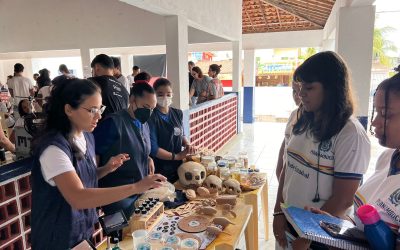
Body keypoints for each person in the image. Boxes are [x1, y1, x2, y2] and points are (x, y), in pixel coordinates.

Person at [31, 78, 166, 249]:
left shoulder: (86, 136)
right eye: (92, 110)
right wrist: (137, 187)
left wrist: (106, 169)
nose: (99, 116)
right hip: (55, 237)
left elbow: (85, 177)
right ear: (68, 109)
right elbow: (78, 197)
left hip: (81, 231)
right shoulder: (53, 149)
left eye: (100, 108)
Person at [273, 51, 371, 249]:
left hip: (323, 235)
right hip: (290, 223)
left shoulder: (350, 134)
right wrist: (278, 213)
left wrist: (309, 236)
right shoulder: (298, 117)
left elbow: (343, 199)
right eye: (300, 87)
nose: (301, 94)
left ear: (331, 89)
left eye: (309, 88)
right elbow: (287, 168)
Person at [93, 82, 157, 218]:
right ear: (132, 100)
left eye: (152, 108)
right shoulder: (113, 123)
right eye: (146, 107)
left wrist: (147, 158)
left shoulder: (143, 124)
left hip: (139, 193)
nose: (149, 112)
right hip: (117, 197)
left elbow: (137, 146)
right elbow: (95, 157)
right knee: (121, 237)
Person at [148, 78, 196, 183]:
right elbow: (154, 149)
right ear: (154, 95)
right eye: (160, 94)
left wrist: (187, 144)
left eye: (168, 94)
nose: (165, 97)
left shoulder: (177, 113)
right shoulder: (151, 117)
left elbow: (181, 133)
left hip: (177, 166)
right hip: (160, 167)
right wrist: (177, 156)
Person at [89, 54, 129, 120]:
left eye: (92, 71)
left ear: (97, 67)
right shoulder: (123, 89)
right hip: (120, 128)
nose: (92, 74)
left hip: (100, 128)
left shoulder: (94, 83)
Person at [275, 81, 301, 180]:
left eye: (300, 90)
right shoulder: (294, 114)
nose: (297, 95)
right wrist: (279, 169)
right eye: (294, 91)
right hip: (287, 172)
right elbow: (285, 141)